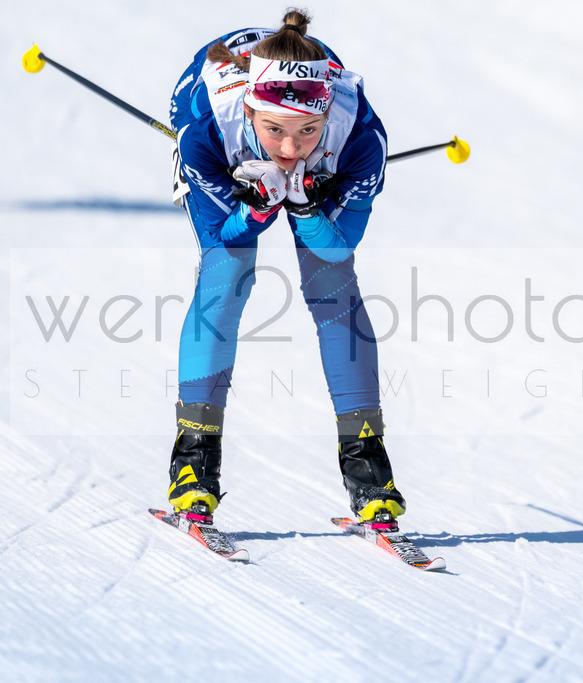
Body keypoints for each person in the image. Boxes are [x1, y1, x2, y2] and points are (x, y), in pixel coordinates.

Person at [165, 9, 405, 524]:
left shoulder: (360, 138)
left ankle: (369, 471)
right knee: (227, 275)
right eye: (275, 130)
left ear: (326, 118)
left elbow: (339, 249)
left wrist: (305, 206)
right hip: (214, 126)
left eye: (308, 131)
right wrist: (252, 207)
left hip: (326, 162)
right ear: (251, 112)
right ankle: (193, 463)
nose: (292, 149)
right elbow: (230, 236)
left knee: (333, 285)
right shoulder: (205, 132)